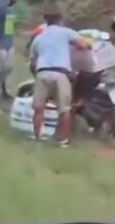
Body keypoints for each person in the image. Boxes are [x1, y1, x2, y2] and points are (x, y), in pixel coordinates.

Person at [29, 8, 91, 147]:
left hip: (42, 72)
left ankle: (37, 138)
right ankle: (64, 141)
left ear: (46, 21)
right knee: (64, 109)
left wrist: (37, 74)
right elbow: (82, 44)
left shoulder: (39, 37)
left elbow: (32, 60)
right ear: (60, 20)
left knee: (39, 108)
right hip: (60, 73)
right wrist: (88, 46)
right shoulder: (66, 32)